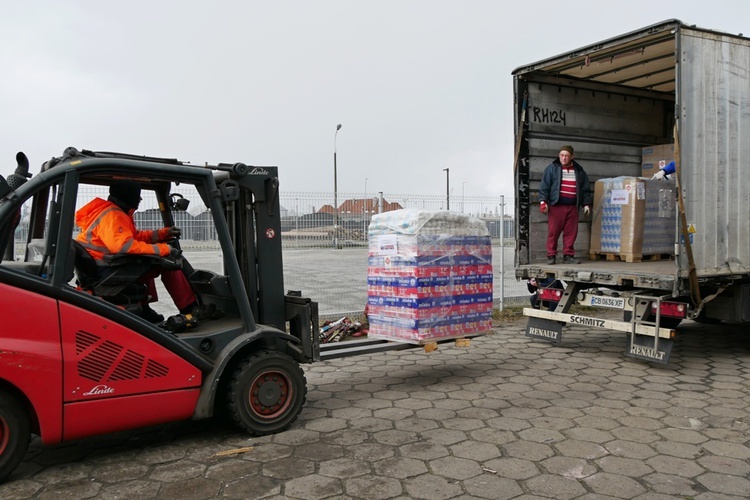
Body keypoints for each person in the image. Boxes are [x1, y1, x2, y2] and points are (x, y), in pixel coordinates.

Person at [75, 180, 204, 323]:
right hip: (107, 269)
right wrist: (163, 249)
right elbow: (124, 246)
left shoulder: (111, 212)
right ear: (129, 196)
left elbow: (134, 237)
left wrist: (163, 234)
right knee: (168, 265)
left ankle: (144, 307)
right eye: (138, 195)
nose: (140, 199)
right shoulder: (113, 215)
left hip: (103, 265)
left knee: (148, 261)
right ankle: (190, 308)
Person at [538, 145, 593, 265]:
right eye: (562, 155)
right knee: (553, 232)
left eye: (566, 156)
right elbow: (544, 187)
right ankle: (551, 256)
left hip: (573, 207)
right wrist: (543, 202)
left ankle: (568, 255)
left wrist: (586, 204)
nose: (564, 158)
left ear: (572, 157)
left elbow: (585, 189)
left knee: (571, 233)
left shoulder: (579, 171)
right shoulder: (551, 169)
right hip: (557, 206)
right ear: (559, 156)